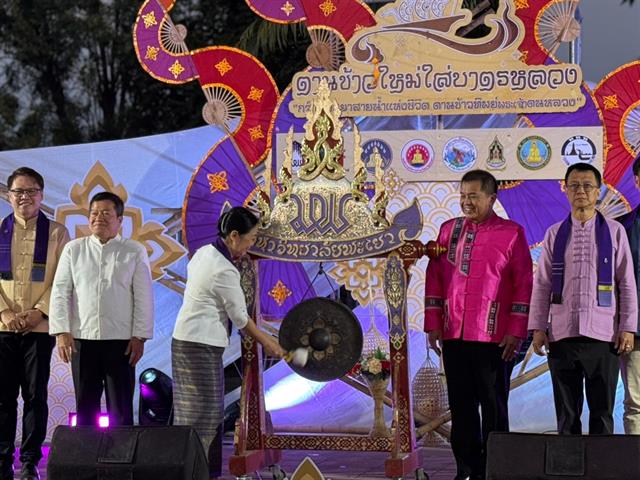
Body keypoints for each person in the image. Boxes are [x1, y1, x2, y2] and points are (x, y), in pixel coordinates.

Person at [425, 169, 533, 480]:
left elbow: (524, 282)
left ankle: (497, 469)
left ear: (491, 198)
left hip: (494, 337)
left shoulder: (512, 233)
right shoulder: (448, 231)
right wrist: (433, 323)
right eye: (462, 196)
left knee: (494, 406)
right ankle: (466, 469)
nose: (466, 202)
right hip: (454, 334)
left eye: (473, 196)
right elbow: (435, 279)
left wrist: (515, 330)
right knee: (462, 406)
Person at [172, 206, 285, 480]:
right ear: (234, 236)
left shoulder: (203, 253)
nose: (252, 244)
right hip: (198, 345)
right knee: (204, 418)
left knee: (194, 416)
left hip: (187, 341)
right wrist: (269, 343)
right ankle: (196, 474)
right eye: (251, 238)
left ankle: (197, 472)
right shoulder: (224, 269)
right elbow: (241, 319)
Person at [529, 162, 637, 435]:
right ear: (565, 190)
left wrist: (627, 327)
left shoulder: (614, 231)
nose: (581, 191)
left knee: (602, 413)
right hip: (562, 334)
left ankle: (600, 471)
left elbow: (625, 282)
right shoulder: (554, 233)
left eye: (587, 185)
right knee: (567, 415)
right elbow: (542, 284)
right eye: (574, 185)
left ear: (598, 191)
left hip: (603, 335)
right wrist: (538, 328)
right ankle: (568, 471)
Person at [49, 191, 154, 427]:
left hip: (122, 342)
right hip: (82, 340)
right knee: (85, 407)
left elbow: (144, 296)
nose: (99, 218)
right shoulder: (74, 249)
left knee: (121, 408)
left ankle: (121, 461)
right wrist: (62, 332)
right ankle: (87, 460)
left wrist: (140, 336)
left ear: (119, 219)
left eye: (106, 213)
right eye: (94, 213)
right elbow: (60, 291)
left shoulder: (133, 250)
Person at [0, 167, 69, 480]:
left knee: (34, 395)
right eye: (18, 191)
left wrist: (39, 312)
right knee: (2, 396)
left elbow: (62, 281)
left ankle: (29, 461)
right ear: (8, 195)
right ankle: (2, 459)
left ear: (41, 195)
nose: (24, 197)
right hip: (2, 327)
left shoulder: (57, 233)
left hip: (39, 328)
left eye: (30, 191)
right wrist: (4, 313)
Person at [615, 154, 640, 434]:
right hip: (635, 331)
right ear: (636, 180)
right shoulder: (622, 226)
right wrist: (624, 326)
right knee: (636, 404)